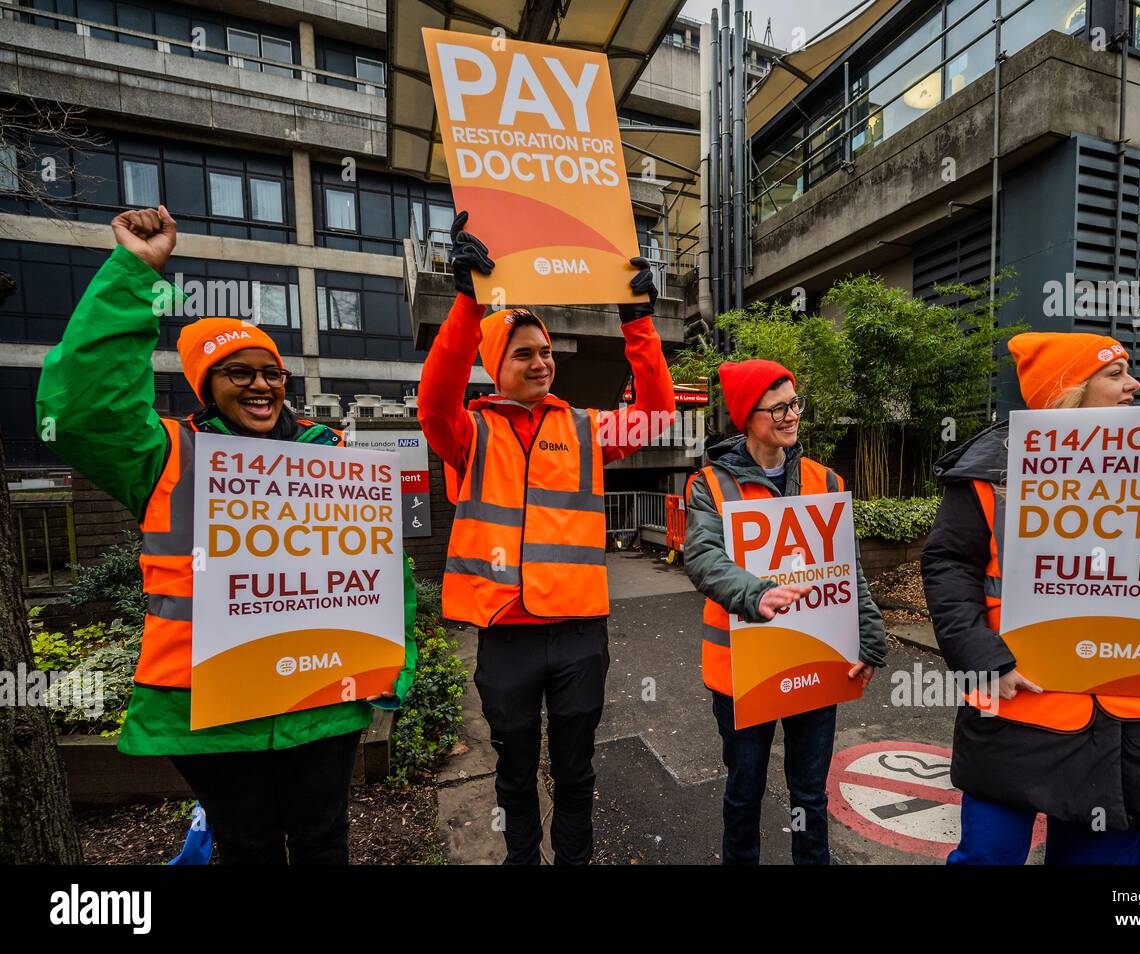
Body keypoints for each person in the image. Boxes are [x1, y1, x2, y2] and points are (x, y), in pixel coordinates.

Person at [36, 206, 417, 864]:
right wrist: (135, 272)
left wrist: (393, 669)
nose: (261, 385)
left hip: (320, 694)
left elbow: (385, 572)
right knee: (247, 848)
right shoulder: (164, 456)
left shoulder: (335, 455)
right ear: (206, 388)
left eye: (270, 371)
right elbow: (79, 411)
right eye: (238, 372)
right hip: (213, 710)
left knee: (325, 841)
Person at [922, 332, 1140, 865]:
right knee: (987, 859)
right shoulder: (987, 474)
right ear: (1067, 390)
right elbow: (949, 566)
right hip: (1018, 702)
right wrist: (981, 659)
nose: (1133, 384)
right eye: (1114, 375)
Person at [417, 211, 674, 864]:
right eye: (525, 353)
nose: (542, 362)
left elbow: (655, 413)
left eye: (547, 352)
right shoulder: (468, 434)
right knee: (513, 774)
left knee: (577, 773)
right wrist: (469, 305)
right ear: (494, 365)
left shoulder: (586, 429)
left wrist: (637, 318)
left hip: (579, 634)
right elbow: (433, 403)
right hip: (505, 634)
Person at [683, 359, 887, 864]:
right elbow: (704, 557)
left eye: (794, 402)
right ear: (746, 417)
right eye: (778, 407)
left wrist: (868, 640)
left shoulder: (826, 479)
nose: (791, 415)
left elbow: (848, 569)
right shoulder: (710, 485)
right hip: (742, 673)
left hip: (814, 662)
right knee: (744, 792)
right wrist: (756, 593)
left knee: (810, 796)